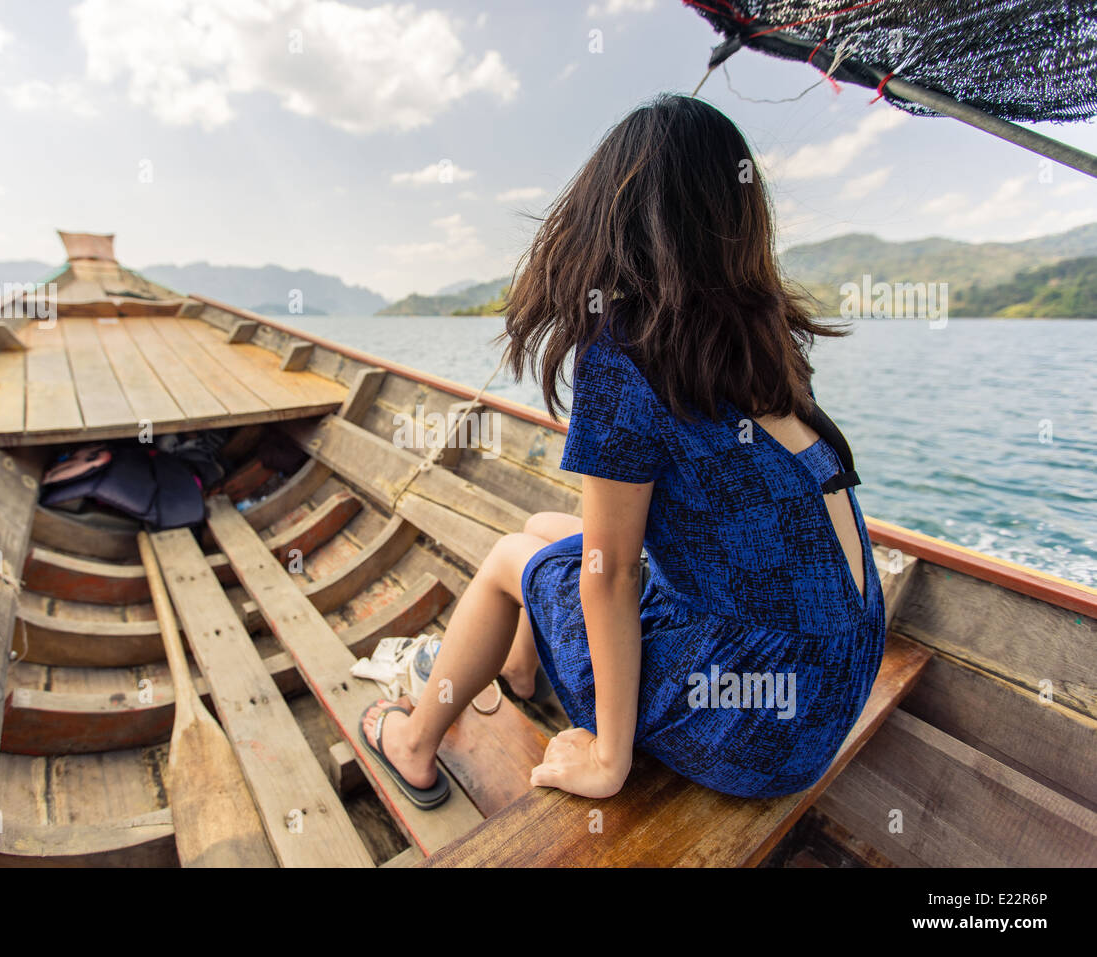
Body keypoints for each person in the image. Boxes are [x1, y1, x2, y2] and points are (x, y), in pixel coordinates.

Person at [360, 94, 885, 809]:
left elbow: (606, 579)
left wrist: (609, 757)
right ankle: (520, 669)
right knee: (547, 530)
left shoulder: (627, 351)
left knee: (512, 558)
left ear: (610, 213)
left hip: (761, 724)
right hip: (837, 670)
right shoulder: (763, 337)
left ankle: (414, 746)